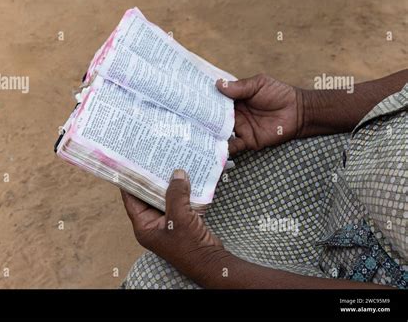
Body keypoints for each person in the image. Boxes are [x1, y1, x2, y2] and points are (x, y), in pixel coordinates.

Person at [120, 70, 407, 289]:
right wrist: (307, 109)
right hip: (351, 168)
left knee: (156, 278)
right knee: (219, 174)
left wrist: (215, 268)